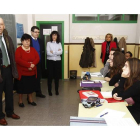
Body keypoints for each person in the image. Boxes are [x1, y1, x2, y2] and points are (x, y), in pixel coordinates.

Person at [0, 17, 20, 126]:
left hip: (8, 69)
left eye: (1, 24)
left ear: (4, 26)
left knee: (9, 92)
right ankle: (0, 116)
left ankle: (9, 112)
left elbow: (12, 55)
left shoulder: (8, 38)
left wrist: (14, 70)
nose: (0, 26)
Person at [112, 58, 140, 124]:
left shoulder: (138, 84)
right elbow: (116, 89)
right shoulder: (132, 80)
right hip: (135, 108)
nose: (123, 68)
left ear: (134, 69)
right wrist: (114, 94)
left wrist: (123, 78)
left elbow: (120, 95)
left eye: (126, 66)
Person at [15, 34, 40, 107]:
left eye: (28, 41)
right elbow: (18, 60)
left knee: (30, 87)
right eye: (25, 41)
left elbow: (37, 58)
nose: (27, 42)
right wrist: (29, 65)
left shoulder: (32, 49)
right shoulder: (18, 50)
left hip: (31, 73)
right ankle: (20, 101)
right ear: (22, 41)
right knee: (21, 88)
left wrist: (32, 65)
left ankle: (30, 99)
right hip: (22, 73)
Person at [30, 26, 46, 98]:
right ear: (32, 32)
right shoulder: (28, 40)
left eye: (38, 32)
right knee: (31, 79)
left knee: (38, 78)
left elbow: (42, 52)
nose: (37, 34)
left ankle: (38, 92)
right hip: (31, 63)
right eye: (35, 32)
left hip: (39, 63)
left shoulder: (40, 41)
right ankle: (29, 95)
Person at [46, 31, 63, 96]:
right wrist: (56, 52)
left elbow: (61, 52)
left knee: (57, 77)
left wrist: (53, 52)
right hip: (50, 61)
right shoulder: (48, 43)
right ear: (51, 36)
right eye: (53, 35)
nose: (54, 36)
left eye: (55, 35)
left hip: (58, 61)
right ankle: (49, 91)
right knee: (50, 76)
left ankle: (56, 90)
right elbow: (48, 53)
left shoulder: (59, 43)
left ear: (57, 36)